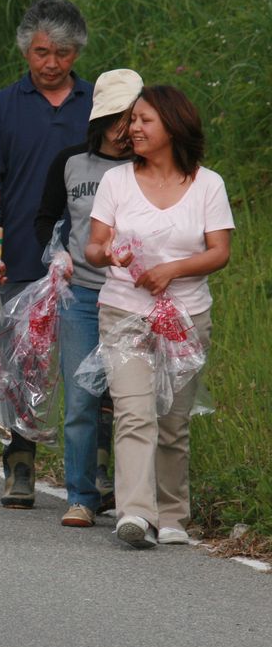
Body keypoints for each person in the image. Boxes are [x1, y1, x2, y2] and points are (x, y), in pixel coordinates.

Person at [84, 85, 233, 549]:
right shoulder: (116, 182)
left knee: (173, 419)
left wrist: (172, 270)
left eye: (144, 120)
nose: (133, 129)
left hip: (186, 319)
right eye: (132, 121)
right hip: (124, 312)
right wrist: (108, 253)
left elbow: (219, 252)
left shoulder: (208, 184)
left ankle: (172, 514)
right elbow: (93, 245)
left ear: (172, 123)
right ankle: (134, 513)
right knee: (133, 411)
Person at [0, 0, 95, 509]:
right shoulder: (2, 107)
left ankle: (92, 477)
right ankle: (19, 464)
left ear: (77, 52)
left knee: (88, 373)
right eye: (42, 52)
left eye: (63, 53)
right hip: (20, 259)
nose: (52, 63)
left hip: (92, 265)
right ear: (27, 51)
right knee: (19, 368)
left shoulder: (97, 104)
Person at [34, 69, 144, 527]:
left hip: (134, 296)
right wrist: (56, 255)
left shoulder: (147, 167)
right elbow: (47, 218)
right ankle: (81, 495)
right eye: (117, 120)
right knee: (82, 398)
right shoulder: (70, 162)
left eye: (133, 119)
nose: (126, 131)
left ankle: (132, 496)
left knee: (131, 400)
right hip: (80, 294)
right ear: (99, 121)